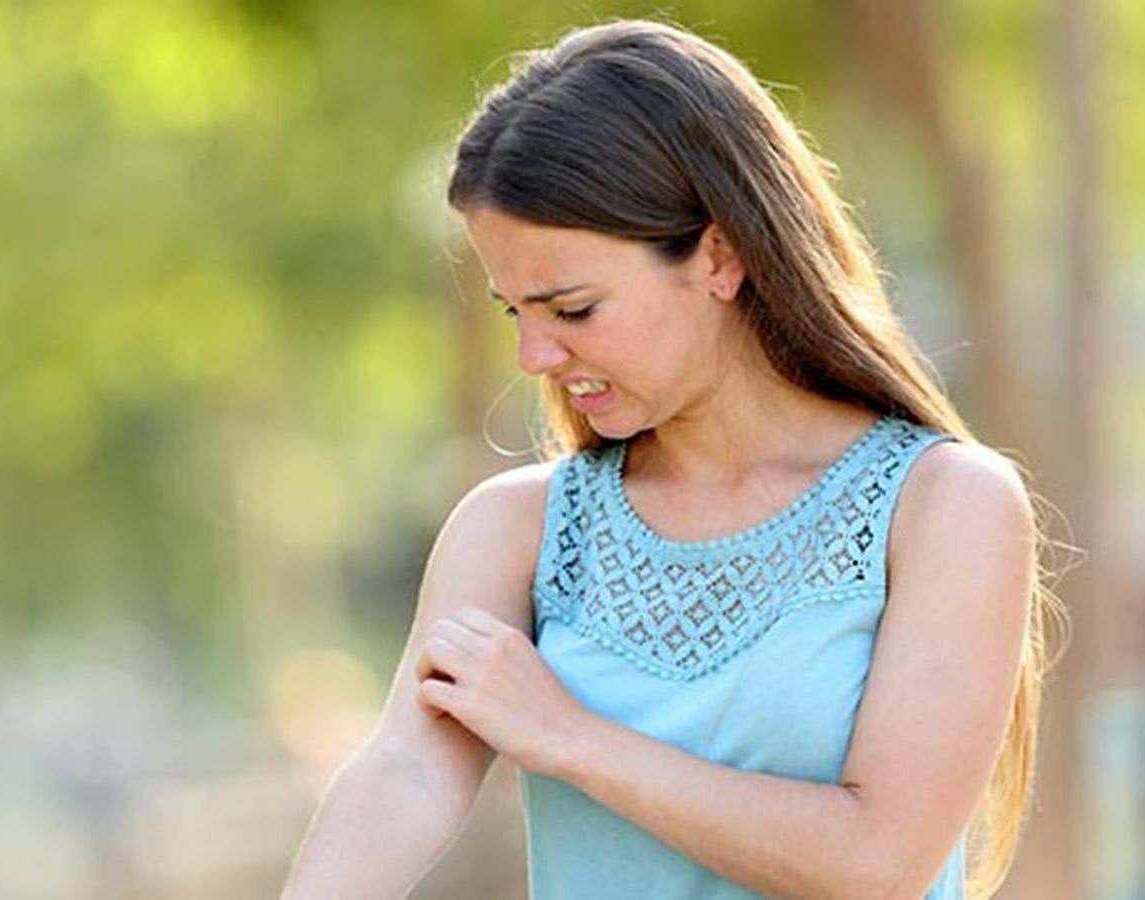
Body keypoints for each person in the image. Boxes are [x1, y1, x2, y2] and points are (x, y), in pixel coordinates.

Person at [282, 18, 1054, 900]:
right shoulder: (517, 529)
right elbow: (406, 774)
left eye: (571, 309)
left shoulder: (944, 506)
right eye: (514, 313)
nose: (534, 356)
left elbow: (877, 863)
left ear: (719, 255)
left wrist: (572, 737)